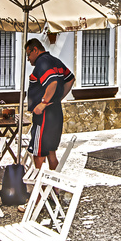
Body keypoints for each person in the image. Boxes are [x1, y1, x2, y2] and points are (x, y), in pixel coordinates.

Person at [22, 39, 73, 170]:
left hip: (44, 116)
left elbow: (52, 83)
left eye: (28, 54)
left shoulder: (42, 62)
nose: (28, 59)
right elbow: (70, 78)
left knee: (38, 153)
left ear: (35, 50)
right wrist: (58, 98)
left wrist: (43, 103)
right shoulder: (56, 61)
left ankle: (40, 189)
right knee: (51, 152)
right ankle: (53, 187)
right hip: (55, 112)